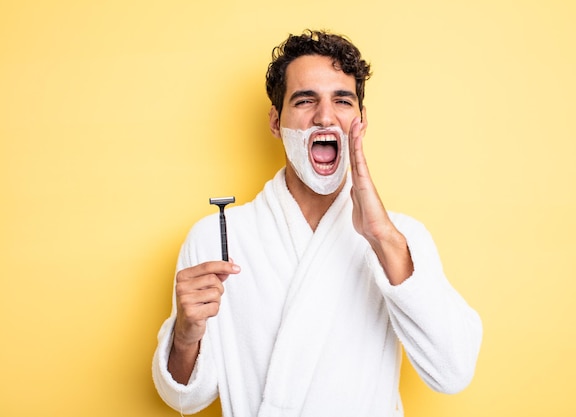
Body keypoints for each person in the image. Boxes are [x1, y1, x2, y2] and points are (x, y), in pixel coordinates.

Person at [152, 29, 482, 416]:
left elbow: (453, 371)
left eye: (342, 100)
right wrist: (186, 336)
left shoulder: (401, 239)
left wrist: (381, 237)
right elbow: (186, 398)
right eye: (305, 100)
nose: (325, 116)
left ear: (360, 121)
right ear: (276, 122)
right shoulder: (218, 237)